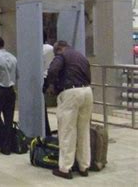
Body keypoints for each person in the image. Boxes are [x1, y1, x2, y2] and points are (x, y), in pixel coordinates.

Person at [46, 41, 92, 179]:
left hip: (71, 93)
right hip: (87, 91)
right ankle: (84, 166)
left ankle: (65, 169)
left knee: (67, 131)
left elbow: (53, 70)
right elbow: (89, 74)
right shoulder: (81, 56)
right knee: (84, 131)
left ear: (58, 49)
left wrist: (51, 85)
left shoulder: (62, 56)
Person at [42, 31, 54, 136]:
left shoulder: (39, 49)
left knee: (42, 106)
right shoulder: (51, 48)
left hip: (42, 77)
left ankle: (45, 130)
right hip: (51, 77)